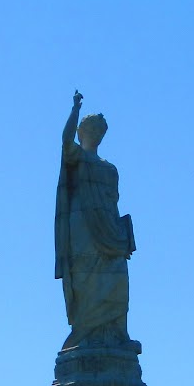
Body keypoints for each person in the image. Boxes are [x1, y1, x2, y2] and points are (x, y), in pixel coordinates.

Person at [54, 90, 135, 348]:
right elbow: (64, 142)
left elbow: (113, 202)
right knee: (86, 282)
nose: (95, 133)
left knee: (119, 279)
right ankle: (85, 334)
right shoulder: (76, 158)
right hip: (84, 232)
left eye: (99, 130)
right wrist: (75, 108)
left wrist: (122, 234)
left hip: (110, 233)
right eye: (90, 128)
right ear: (81, 131)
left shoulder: (110, 169)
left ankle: (118, 334)